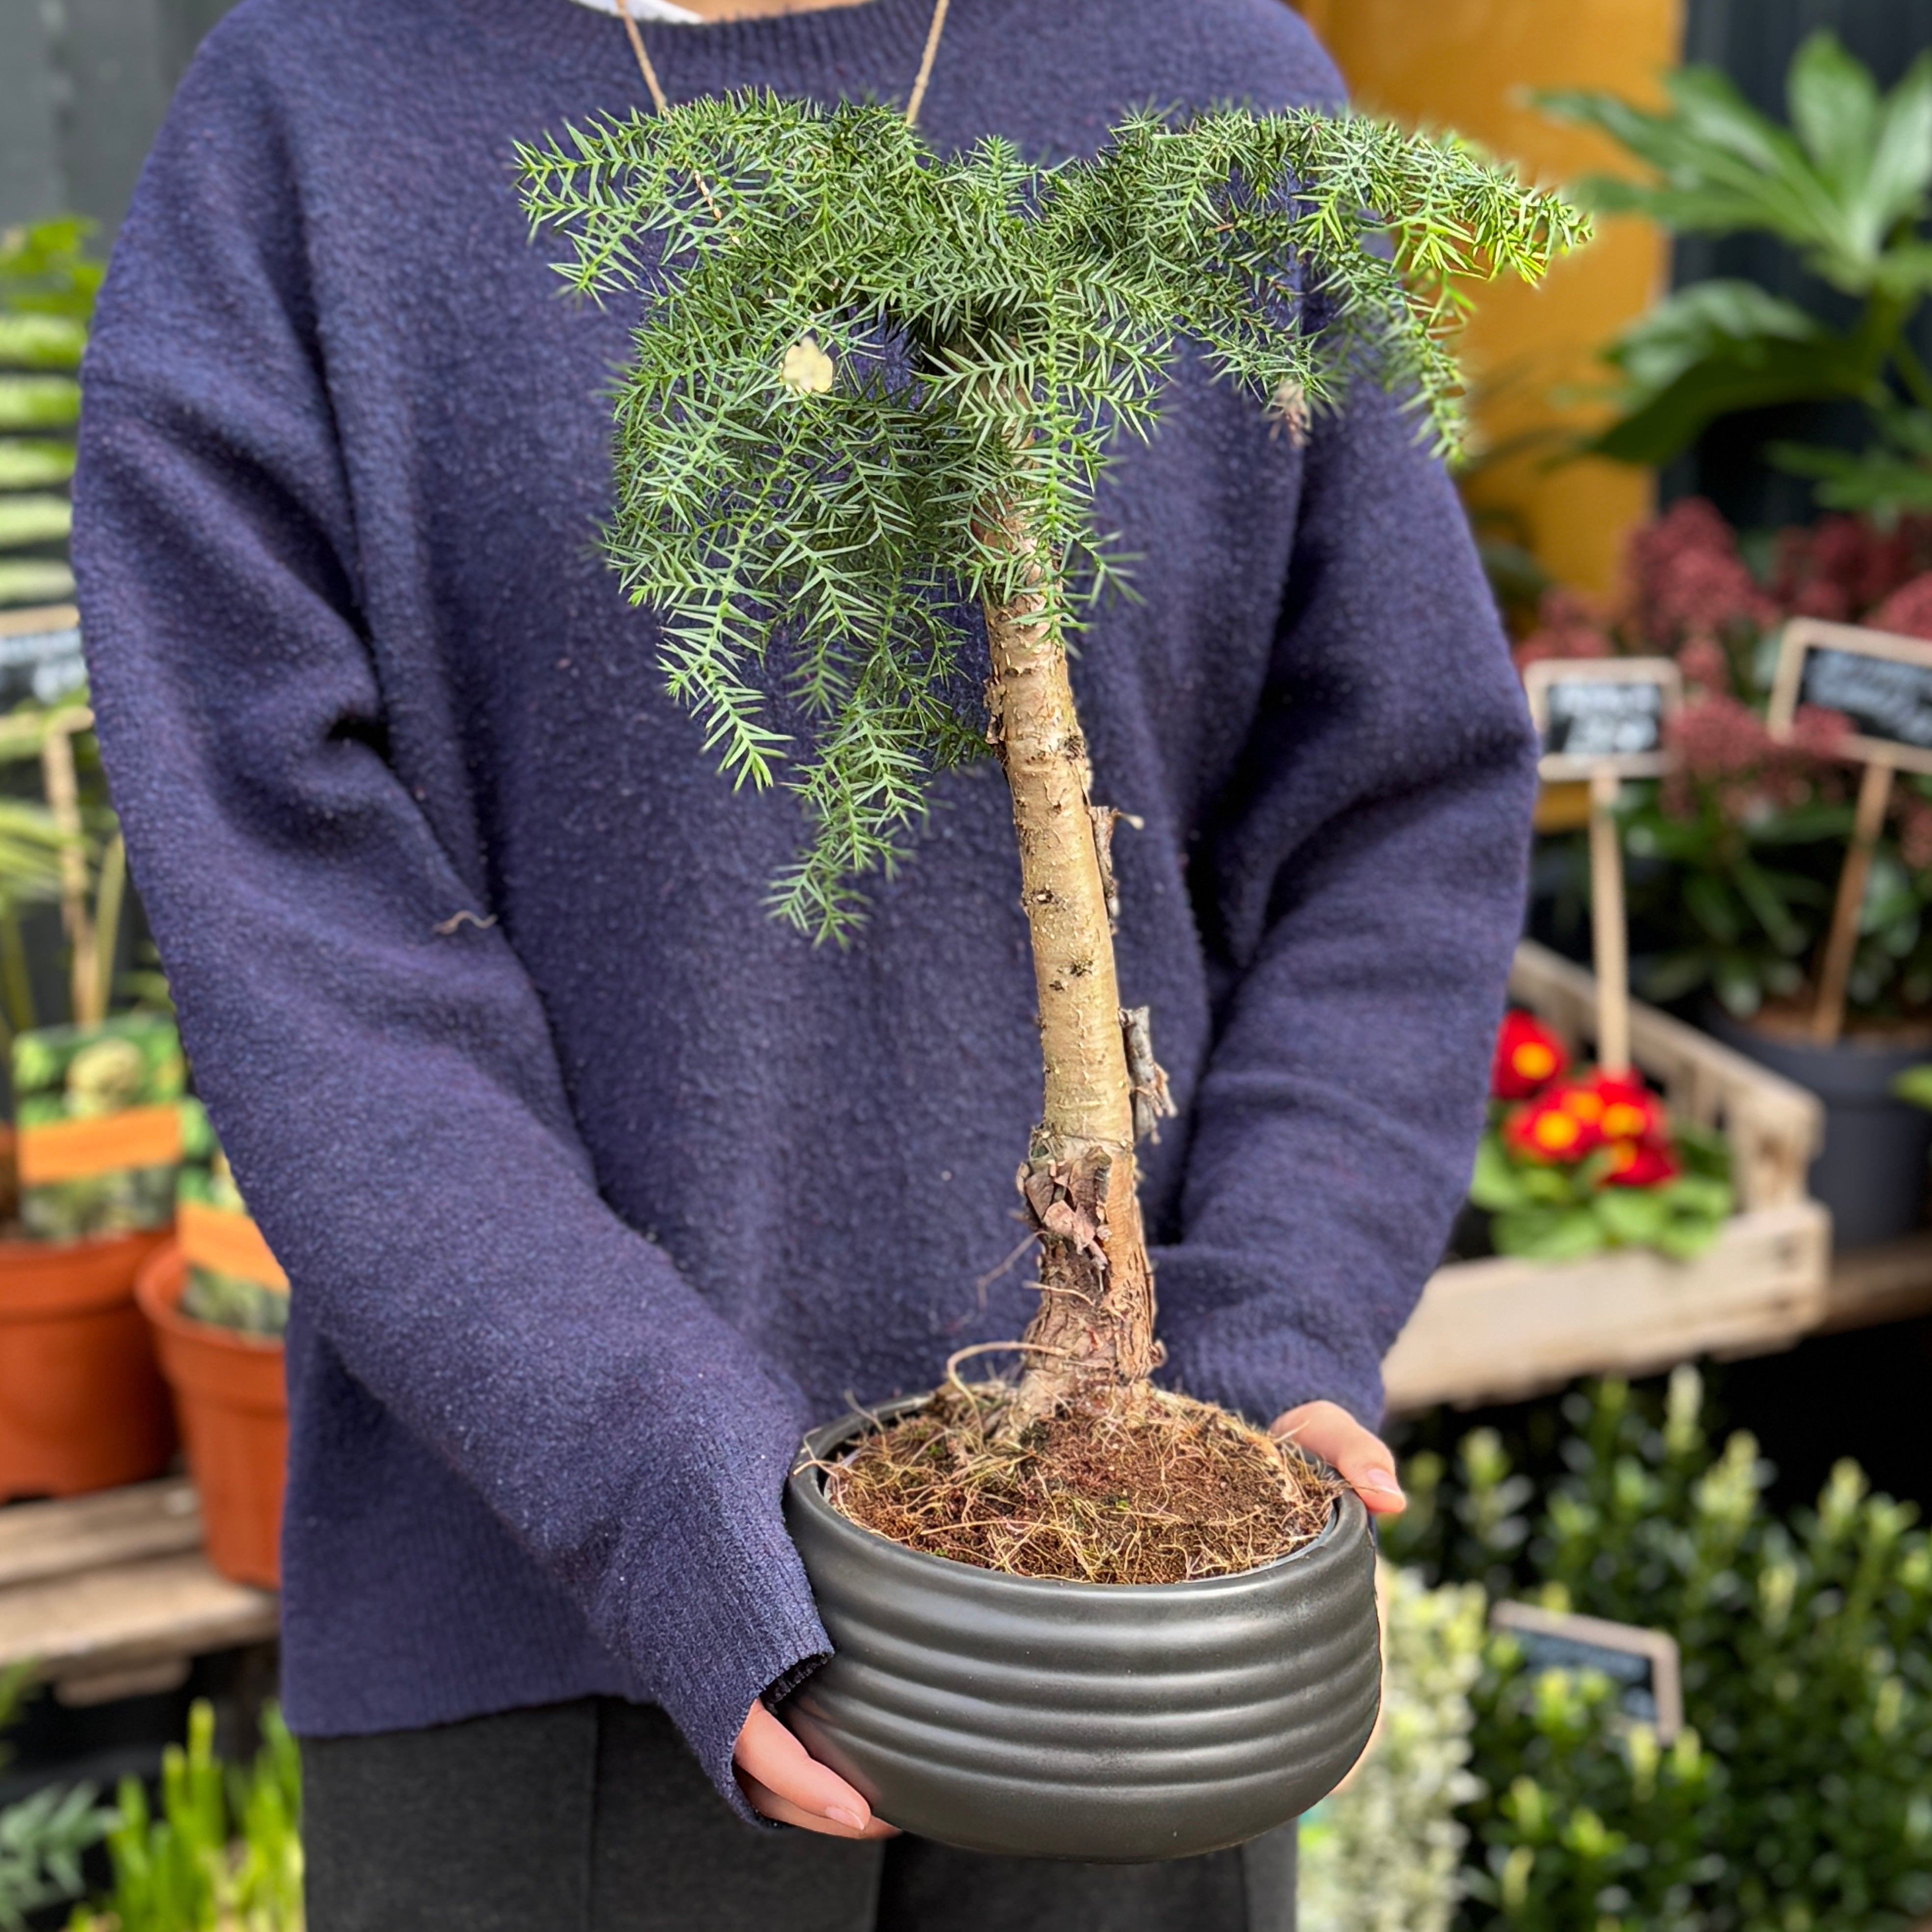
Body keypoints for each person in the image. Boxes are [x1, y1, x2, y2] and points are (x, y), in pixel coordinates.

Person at [72, 0, 1537, 1921]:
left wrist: (1259, 1338)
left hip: (1127, 1604)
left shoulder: (1211, 88)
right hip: (538, 1626)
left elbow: (1390, 800)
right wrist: (651, 1469)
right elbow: (297, 916)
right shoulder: (314, 118)